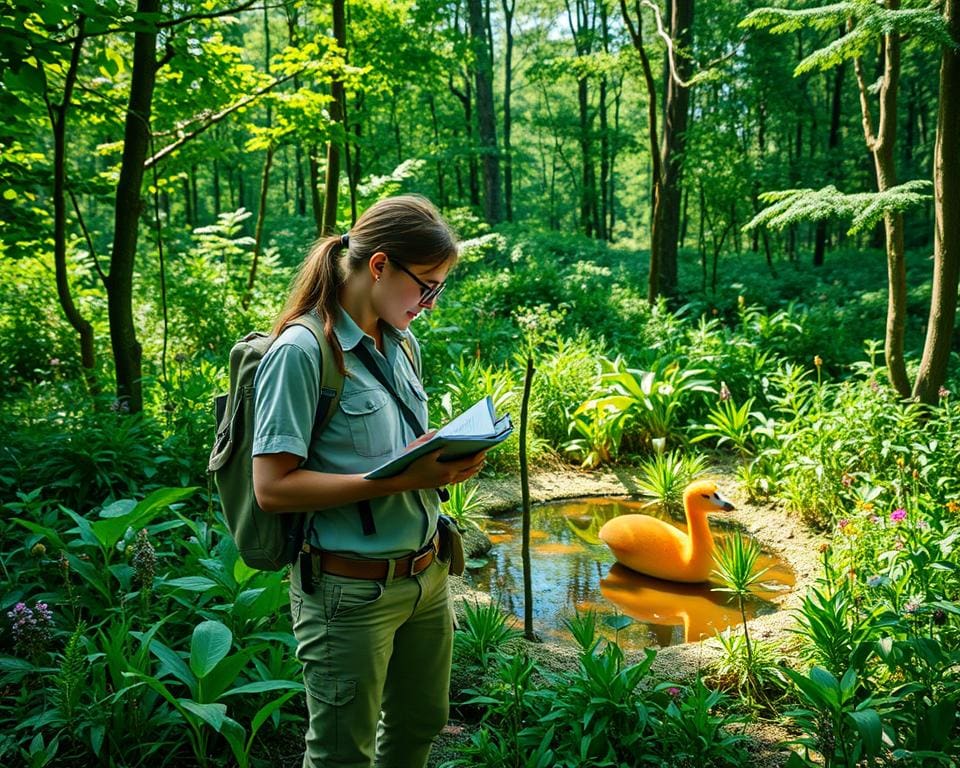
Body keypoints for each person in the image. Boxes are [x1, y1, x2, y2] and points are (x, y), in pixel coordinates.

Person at [251, 195, 484, 768]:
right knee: (341, 754)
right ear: (379, 265)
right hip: (348, 591)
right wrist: (397, 481)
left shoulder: (403, 342)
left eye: (439, 288)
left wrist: (446, 463)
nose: (429, 302)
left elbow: (397, 451)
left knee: (419, 725)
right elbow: (272, 488)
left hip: (426, 575)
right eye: (425, 284)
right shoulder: (303, 352)